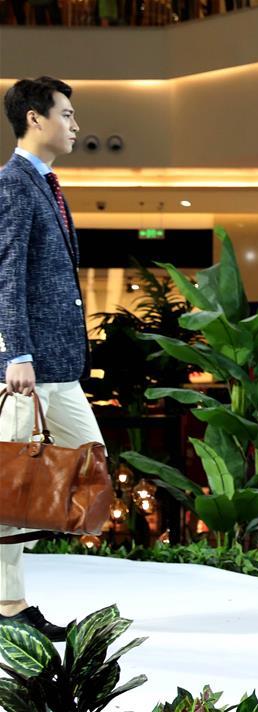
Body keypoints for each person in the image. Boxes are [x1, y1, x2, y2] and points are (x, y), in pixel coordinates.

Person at [0, 77, 104, 641]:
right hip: (29, 369)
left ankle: (6, 595)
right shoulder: (13, 184)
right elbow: (5, 277)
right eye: (67, 114)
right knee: (19, 484)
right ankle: (9, 606)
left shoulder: (44, 184)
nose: (75, 124)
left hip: (56, 367)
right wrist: (15, 353)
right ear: (36, 118)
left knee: (88, 465)